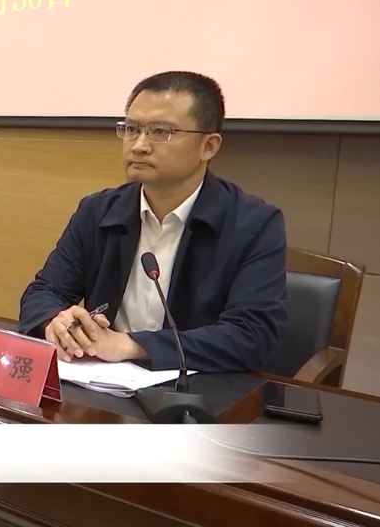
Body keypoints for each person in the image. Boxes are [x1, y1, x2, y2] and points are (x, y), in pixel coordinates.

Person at [18, 71, 288, 373]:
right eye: (132, 129)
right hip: (102, 384)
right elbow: (43, 292)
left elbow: (252, 334)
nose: (139, 145)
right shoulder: (98, 211)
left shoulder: (254, 224)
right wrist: (55, 321)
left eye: (160, 132)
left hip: (197, 389)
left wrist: (131, 345)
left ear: (209, 146)